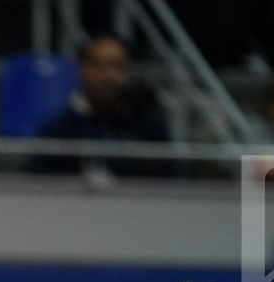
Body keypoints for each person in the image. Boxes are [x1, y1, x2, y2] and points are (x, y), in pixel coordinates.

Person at [31, 36, 175, 179]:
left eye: (117, 66)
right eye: (99, 66)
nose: (108, 75)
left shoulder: (149, 127)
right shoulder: (58, 130)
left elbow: (174, 179)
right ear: (82, 69)